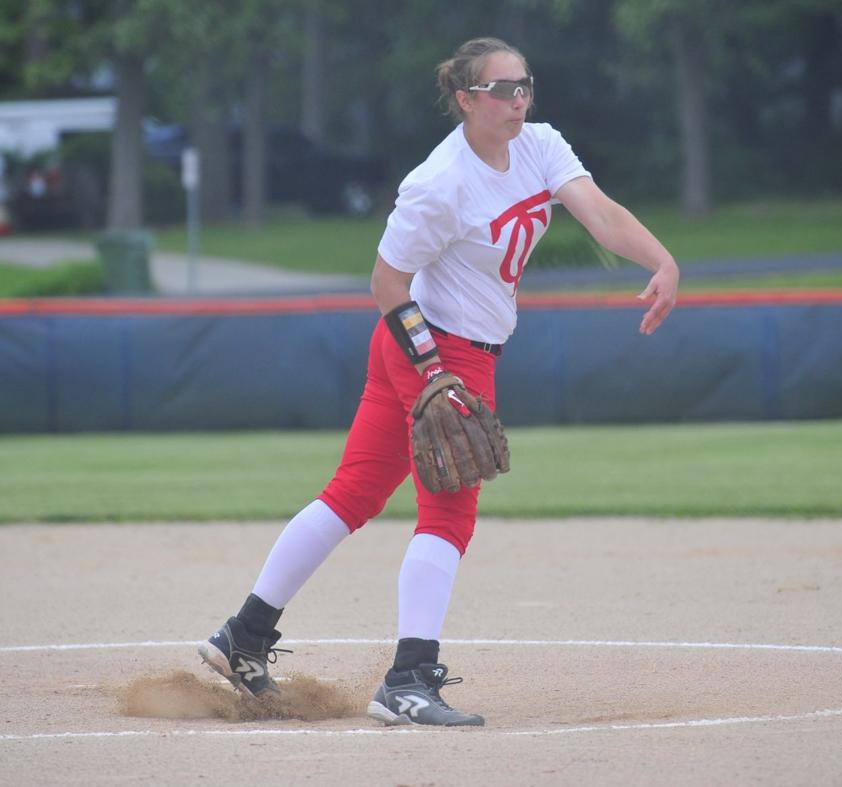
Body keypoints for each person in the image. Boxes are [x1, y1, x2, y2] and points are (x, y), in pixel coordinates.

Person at [197, 37, 679, 725]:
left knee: (353, 493)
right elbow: (386, 283)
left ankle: (243, 634)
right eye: (502, 89)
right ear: (465, 98)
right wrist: (434, 371)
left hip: (456, 350)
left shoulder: (540, 146)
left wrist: (662, 260)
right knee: (449, 512)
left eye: (525, 85)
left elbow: (600, 213)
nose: (518, 100)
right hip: (432, 346)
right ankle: (408, 680)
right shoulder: (441, 182)